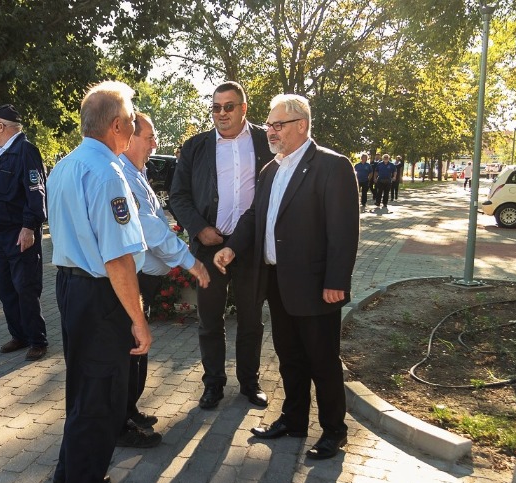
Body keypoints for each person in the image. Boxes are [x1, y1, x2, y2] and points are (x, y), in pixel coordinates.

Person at [213, 93, 359, 460]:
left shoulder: (332, 166)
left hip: (316, 286)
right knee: (289, 357)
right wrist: (234, 246)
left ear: (302, 126)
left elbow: (343, 231)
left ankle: (333, 431)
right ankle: (294, 420)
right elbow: (253, 217)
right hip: (277, 282)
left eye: (278, 125)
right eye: (269, 125)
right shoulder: (271, 169)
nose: (271, 131)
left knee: (322, 361)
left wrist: (336, 282)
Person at [47, 81, 151, 483]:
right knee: (102, 398)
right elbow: (118, 259)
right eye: (131, 119)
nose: (133, 126)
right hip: (99, 293)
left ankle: (69, 474)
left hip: (70, 288)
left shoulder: (65, 165)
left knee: (81, 388)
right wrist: (139, 319)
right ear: (115, 125)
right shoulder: (109, 173)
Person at [169, 81, 274, 410]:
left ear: (244, 108)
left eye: (229, 106)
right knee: (210, 320)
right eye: (216, 107)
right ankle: (213, 384)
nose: (221, 113)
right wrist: (199, 229)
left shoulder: (264, 141)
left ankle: (249, 383)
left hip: (250, 247)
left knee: (250, 319)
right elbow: (178, 196)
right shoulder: (195, 146)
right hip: (210, 247)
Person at [118, 112, 211, 448]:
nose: (155, 143)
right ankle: (120, 421)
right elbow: (148, 226)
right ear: (129, 137)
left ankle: (129, 409)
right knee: (130, 348)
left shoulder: (137, 173)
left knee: (138, 348)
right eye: (149, 136)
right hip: (134, 279)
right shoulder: (123, 176)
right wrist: (189, 261)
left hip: (147, 279)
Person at [0, 104, 48, 361]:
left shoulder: (25, 151)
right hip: (0, 233)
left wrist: (29, 226)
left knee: (25, 287)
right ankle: (18, 334)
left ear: (2, 126)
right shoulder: (0, 153)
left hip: (20, 233)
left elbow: (35, 191)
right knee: (6, 287)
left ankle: (37, 340)